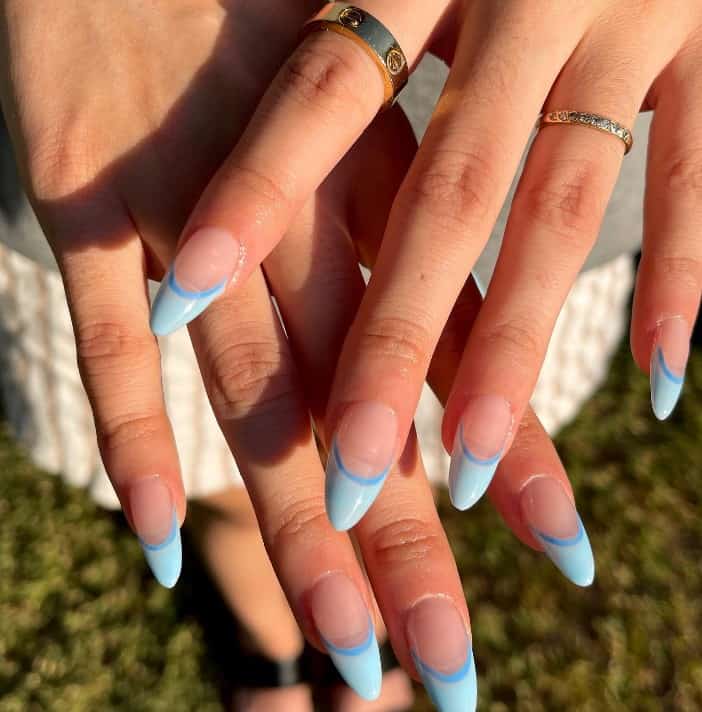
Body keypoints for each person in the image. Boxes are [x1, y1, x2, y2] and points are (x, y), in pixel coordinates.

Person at [0, 2, 690, 710]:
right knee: (229, 476)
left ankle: (341, 625)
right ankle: (271, 634)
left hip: (549, 133)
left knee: (424, 448)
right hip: (139, 106)